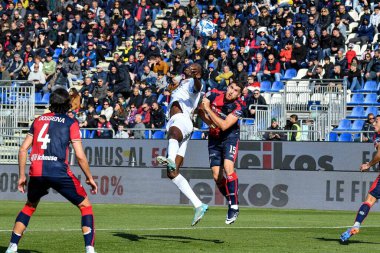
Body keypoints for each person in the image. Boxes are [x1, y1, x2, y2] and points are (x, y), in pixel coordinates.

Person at [5, 88, 97, 253]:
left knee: (29, 206)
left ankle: (12, 247)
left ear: (51, 102)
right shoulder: (71, 122)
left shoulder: (38, 120)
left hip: (37, 171)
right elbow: (81, 156)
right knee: (85, 206)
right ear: (67, 103)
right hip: (59, 171)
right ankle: (89, 249)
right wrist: (89, 177)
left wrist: (21, 176)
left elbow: (22, 149)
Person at [156, 63, 208, 226]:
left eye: (193, 67)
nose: (189, 68)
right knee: (172, 173)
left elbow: (198, 86)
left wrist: (197, 76)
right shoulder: (182, 83)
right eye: (188, 67)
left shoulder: (194, 82)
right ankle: (199, 205)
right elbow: (172, 84)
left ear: (197, 71)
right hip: (181, 124)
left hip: (182, 120)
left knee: (173, 134)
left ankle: (170, 157)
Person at [199, 82, 244, 224]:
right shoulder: (214, 94)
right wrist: (209, 122)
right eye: (231, 87)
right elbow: (200, 110)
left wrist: (208, 109)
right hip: (214, 138)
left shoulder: (239, 106)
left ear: (239, 94)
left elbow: (224, 126)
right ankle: (231, 199)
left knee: (228, 167)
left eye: (236, 91)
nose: (231, 92)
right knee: (216, 176)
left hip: (229, 137)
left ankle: (234, 206)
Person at [340, 115, 380, 242]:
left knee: (369, 200)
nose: (373, 124)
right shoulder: (376, 136)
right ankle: (356, 226)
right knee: (369, 199)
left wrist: (368, 164)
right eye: (373, 121)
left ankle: (356, 225)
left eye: (377, 121)